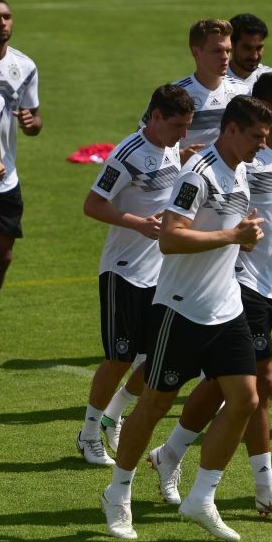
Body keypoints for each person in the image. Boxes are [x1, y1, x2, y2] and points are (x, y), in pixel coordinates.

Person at [147, 73, 272, 518]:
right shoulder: (240, 159)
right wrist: (231, 242)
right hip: (236, 282)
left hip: (271, 283)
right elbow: (209, 209)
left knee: (222, 382)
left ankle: (169, 451)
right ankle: (265, 487)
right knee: (259, 383)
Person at [101, 96, 271, 542]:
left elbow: (223, 235)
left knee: (245, 399)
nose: (262, 145)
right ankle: (117, 493)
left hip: (226, 307)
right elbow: (172, 239)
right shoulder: (197, 175)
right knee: (154, 405)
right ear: (231, 130)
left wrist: (243, 240)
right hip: (181, 308)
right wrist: (232, 235)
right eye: (256, 136)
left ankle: (202, 497)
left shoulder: (239, 172)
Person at [75, 84, 193, 466]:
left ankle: (114, 413)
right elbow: (92, 205)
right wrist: (137, 224)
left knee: (159, 354)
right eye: (177, 126)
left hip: (162, 272)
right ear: (156, 117)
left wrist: (184, 155)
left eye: (187, 127)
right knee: (119, 358)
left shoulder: (172, 144)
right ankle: (89, 433)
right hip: (124, 271)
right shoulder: (126, 155)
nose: (183, 134)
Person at [0, 0, 40, 317]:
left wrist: (31, 122)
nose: (2, 23)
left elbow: (35, 118)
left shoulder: (24, 66)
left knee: (4, 257)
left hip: (5, 176)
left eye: (7, 17)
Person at [142, 19, 249, 149]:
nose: (225, 56)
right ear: (196, 53)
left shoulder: (242, 92)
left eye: (228, 50)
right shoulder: (172, 96)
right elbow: (142, 141)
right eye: (217, 51)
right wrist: (178, 158)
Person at [227, 13, 272, 90]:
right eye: (247, 48)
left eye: (259, 48)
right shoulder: (214, 80)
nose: (254, 56)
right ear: (230, 45)